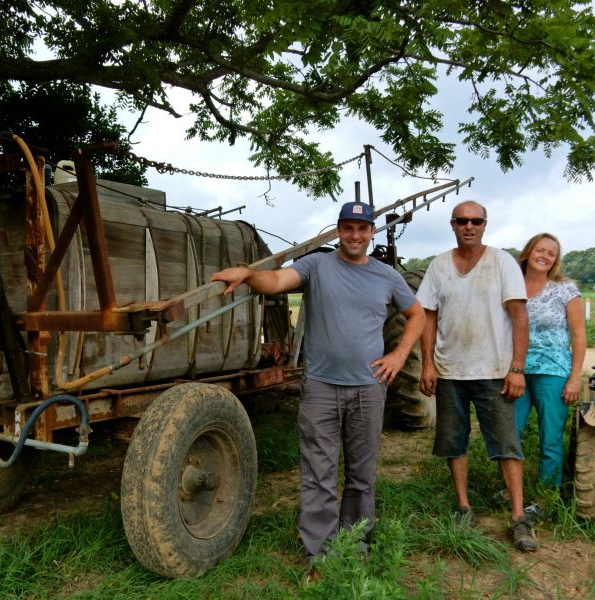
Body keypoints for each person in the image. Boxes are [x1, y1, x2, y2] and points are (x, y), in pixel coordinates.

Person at [211, 201, 425, 570]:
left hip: (369, 388)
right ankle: (320, 555)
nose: (355, 235)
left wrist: (399, 356)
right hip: (322, 388)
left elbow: (417, 314)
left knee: (362, 473)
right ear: (339, 230)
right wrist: (248, 275)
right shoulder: (317, 265)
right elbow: (277, 281)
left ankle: (355, 541)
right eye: (348, 227)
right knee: (318, 473)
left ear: (371, 233)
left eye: (362, 228)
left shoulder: (387, 277)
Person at [416, 200, 538, 552]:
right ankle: (463, 507)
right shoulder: (439, 265)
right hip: (450, 370)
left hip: (494, 371)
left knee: (506, 444)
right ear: (452, 225)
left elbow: (519, 318)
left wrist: (517, 369)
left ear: (485, 225)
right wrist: (427, 363)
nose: (469, 226)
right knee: (454, 442)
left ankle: (518, 517)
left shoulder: (502, 263)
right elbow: (428, 317)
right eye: (462, 221)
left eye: (476, 221)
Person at [514, 233, 585, 487]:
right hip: (516, 371)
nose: (544, 256)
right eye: (540, 250)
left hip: (553, 372)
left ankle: (548, 492)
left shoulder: (565, 288)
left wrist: (574, 378)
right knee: (510, 433)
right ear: (528, 251)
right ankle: (513, 490)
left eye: (551, 253)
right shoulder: (511, 285)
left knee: (551, 436)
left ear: (555, 260)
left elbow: (578, 336)